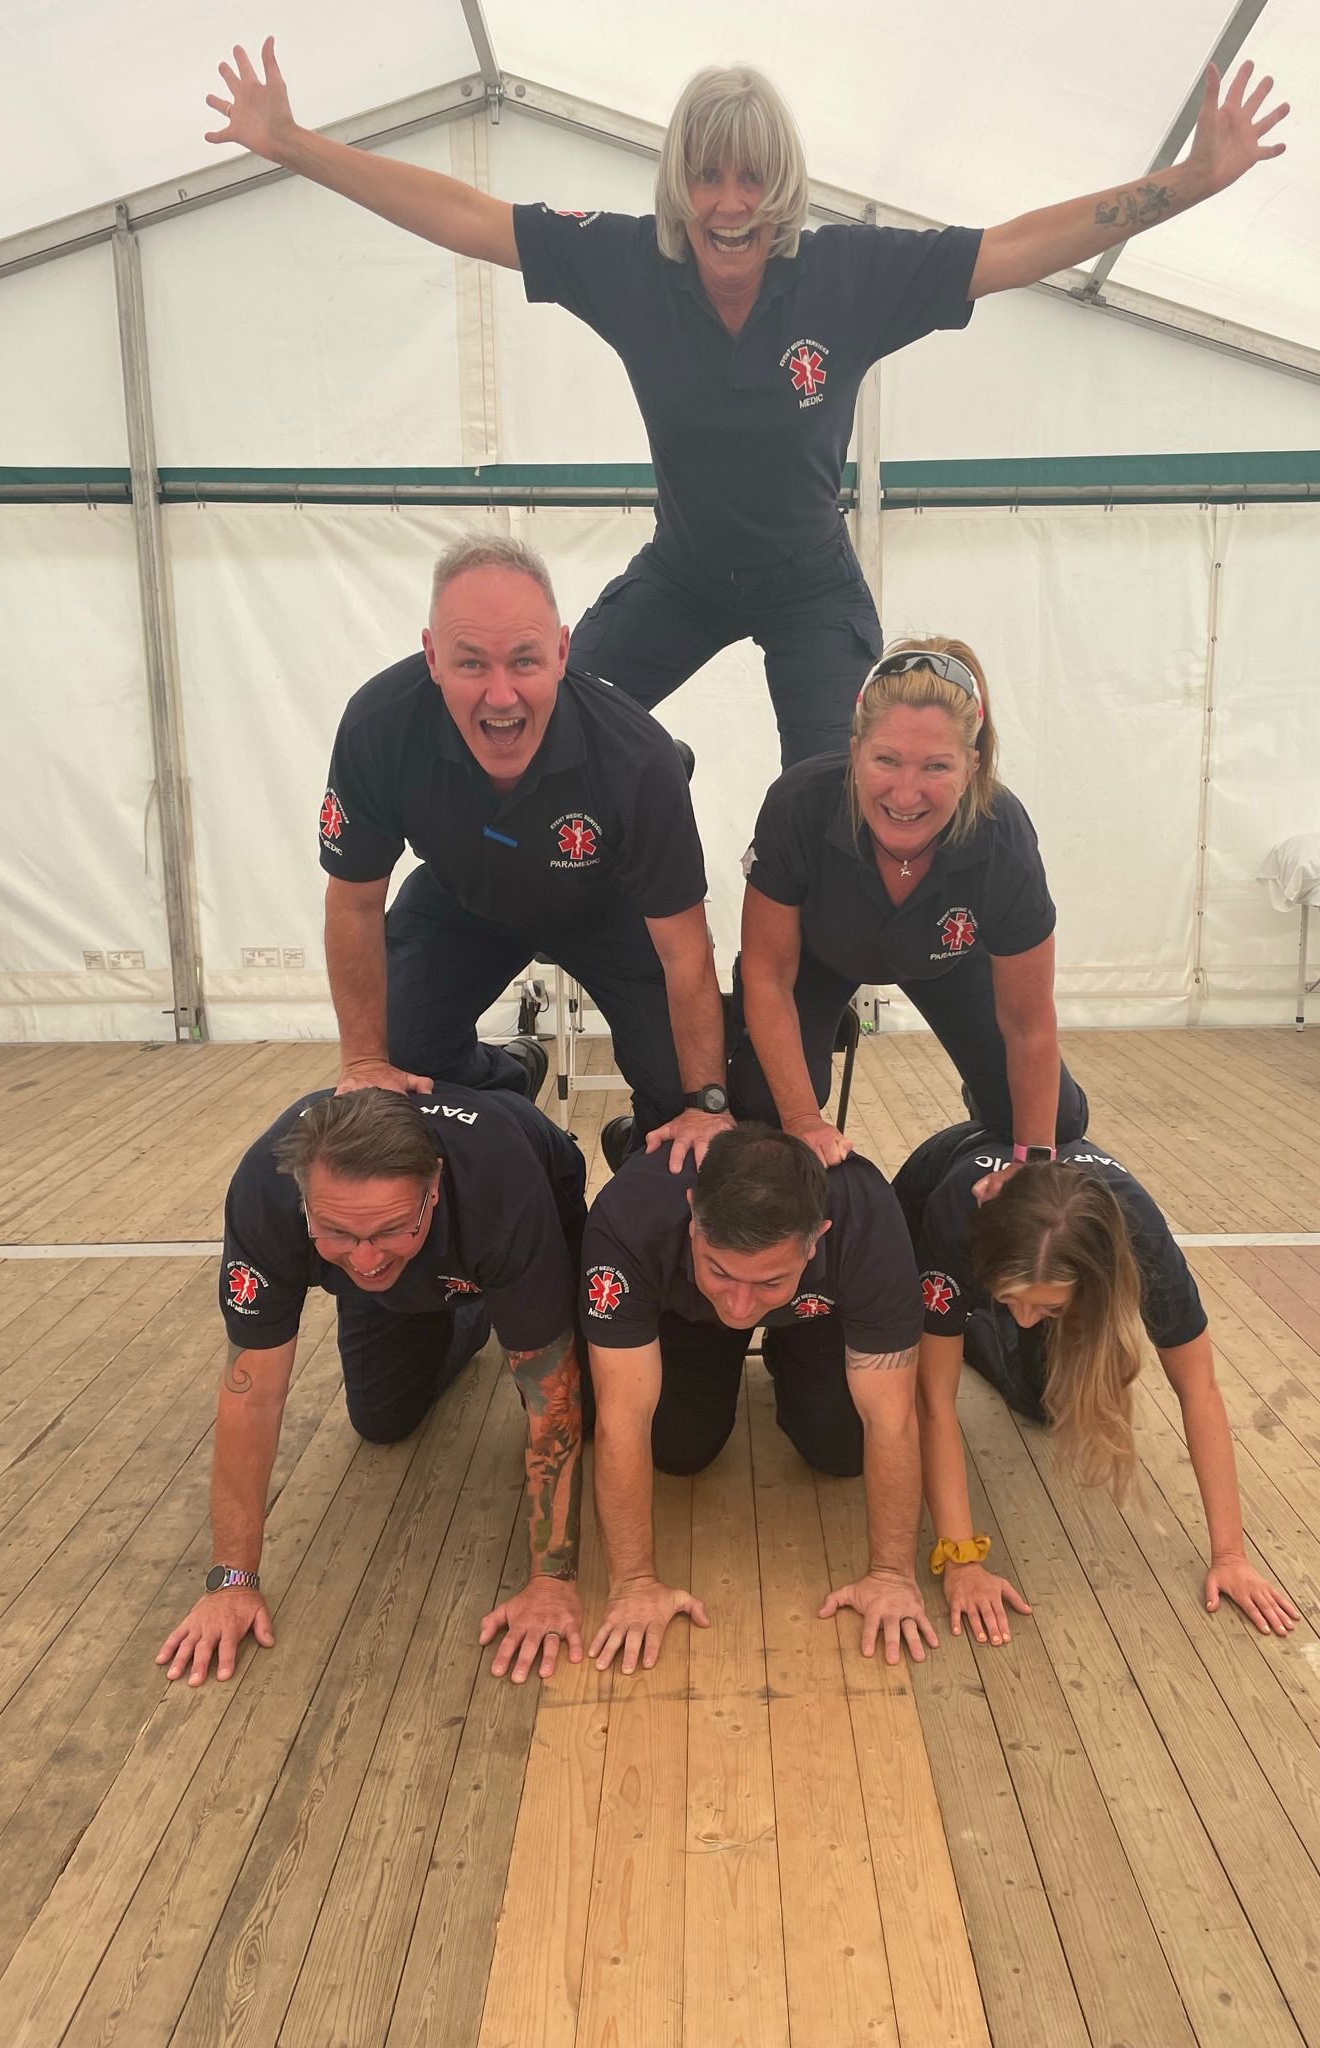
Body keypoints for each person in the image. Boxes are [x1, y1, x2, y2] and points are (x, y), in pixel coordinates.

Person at [204, 45, 1290, 765]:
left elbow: (1013, 248)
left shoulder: (849, 276)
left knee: (831, 798)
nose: (731, 207)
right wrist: (295, 144)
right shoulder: (629, 265)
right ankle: (602, 871)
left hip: (810, 581)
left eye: (753, 182)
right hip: (682, 573)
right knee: (552, 720)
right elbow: (466, 216)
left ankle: (801, 1026)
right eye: (709, 180)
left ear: (784, 187)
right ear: (679, 187)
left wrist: (1190, 181)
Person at [157, 1084, 593, 1689]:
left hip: (528, 1193)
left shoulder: (501, 1189)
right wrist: (232, 1579)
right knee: (382, 1420)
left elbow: (554, 1398)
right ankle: (472, 1304)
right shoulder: (264, 1191)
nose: (363, 1261)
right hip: (435, 1261)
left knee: (587, 1412)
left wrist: (551, 1580)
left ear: (434, 1187)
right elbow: (250, 1394)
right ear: (303, 1198)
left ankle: (493, 1279)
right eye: (335, 1231)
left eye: (389, 1228)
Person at [320, 532, 733, 1160]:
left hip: (609, 909)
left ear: (562, 653)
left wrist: (706, 1103)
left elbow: (685, 951)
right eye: (471, 663)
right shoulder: (379, 724)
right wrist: (364, 1060)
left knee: (682, 1094)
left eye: (523, 661)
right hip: (462, 897)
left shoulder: (639, 758)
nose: (501, 695)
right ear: (432, 657)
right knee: (399, 1053)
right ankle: (508, 1080)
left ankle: (629, 1144)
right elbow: (353, 904)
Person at [895, 1121, 1301, 1647]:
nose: (1026, 1319)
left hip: (1034, 1262)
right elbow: (933, 1403)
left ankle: (976, 1324)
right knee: (897, 1391)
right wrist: (962, 1560)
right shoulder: (954, 1222)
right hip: (929, 1198)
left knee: (1045, 1403)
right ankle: (962, 1319)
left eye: (1048, 1308)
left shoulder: (1143, 1240)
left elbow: (1199, 1389)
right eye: (1010, 1299)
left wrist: (1231, 1557)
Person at [579, 1124, 937, 1672]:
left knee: (843, 1449)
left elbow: (892, 1417)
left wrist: (892, 1576)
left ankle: (784, 1345)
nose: (742, 1307)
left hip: (815, 1310)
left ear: (817, 1238)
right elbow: (621, 1418)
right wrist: (633, 1584)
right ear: (693, 1215)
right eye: (721, 1270)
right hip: (686, 1313)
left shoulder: (867, 1216)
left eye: (768, 1281)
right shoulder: (628, 1215)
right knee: (678, 1448)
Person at [734, 637, 1086, 1167]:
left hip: (945, 959)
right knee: (761, 1104)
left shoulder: (1002, 833)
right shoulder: (798, 804)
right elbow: (768, 977)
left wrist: (1032, 1162)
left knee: (1055, 1123)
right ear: (856, 752)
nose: (904, 794)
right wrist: (803, 1120)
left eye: (936, 767)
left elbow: (1028, 1021)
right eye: (887, 760)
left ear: (971, 767)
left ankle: (984, 1101)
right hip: (817, 956)